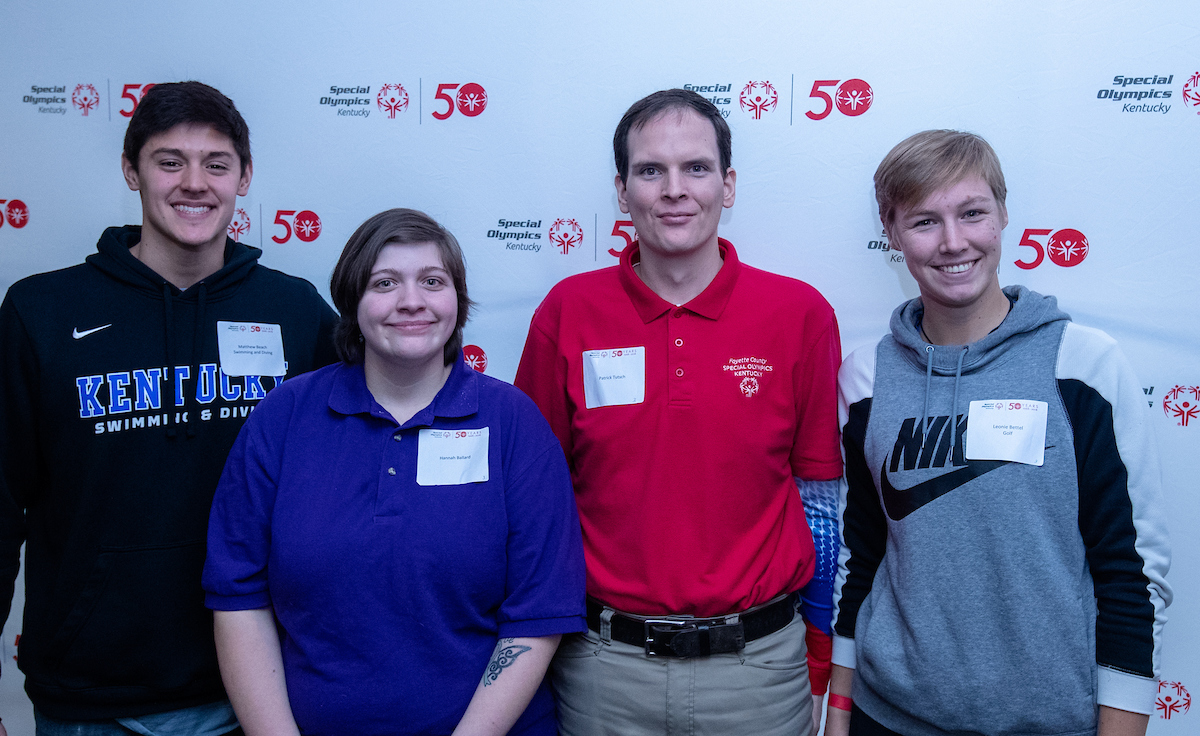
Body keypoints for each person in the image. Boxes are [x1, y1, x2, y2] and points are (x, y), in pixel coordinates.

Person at [0, 81, 339, 736]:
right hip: (90, 700)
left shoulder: (294, 312)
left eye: (216, 164)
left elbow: (363, 457)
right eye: (169, 161)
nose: (195, 183)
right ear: (131, 171)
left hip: (255, 690)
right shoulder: (40, 313)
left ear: (244, 177)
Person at [514, 88, 843, 736]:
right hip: (604, 669)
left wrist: (820, 657)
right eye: (650, 170)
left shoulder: (799, 316)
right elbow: (531, 503)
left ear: (729, 184)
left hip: (758, 673)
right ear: (621, 189)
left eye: (695, 167)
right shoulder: (568, 313)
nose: (674, 189)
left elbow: (818, 504)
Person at [828, 130, 1171, 736]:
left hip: (1048, 722)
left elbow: (1131, 573)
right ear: (893, 231)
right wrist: (838, 714)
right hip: (888, 718)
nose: (953, 242)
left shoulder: (1081, 365)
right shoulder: (866, 378)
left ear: (1004, 215)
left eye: (972, 213)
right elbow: (863, 560)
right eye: (924, 221)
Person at [203, 208, 586, 736]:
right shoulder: (284, 418)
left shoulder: (514, 424)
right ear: (352, 302)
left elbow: (537, 614)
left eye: (433, 281)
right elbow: (239, 598)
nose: (412, 301)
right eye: (385, 283)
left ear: (458, 300)